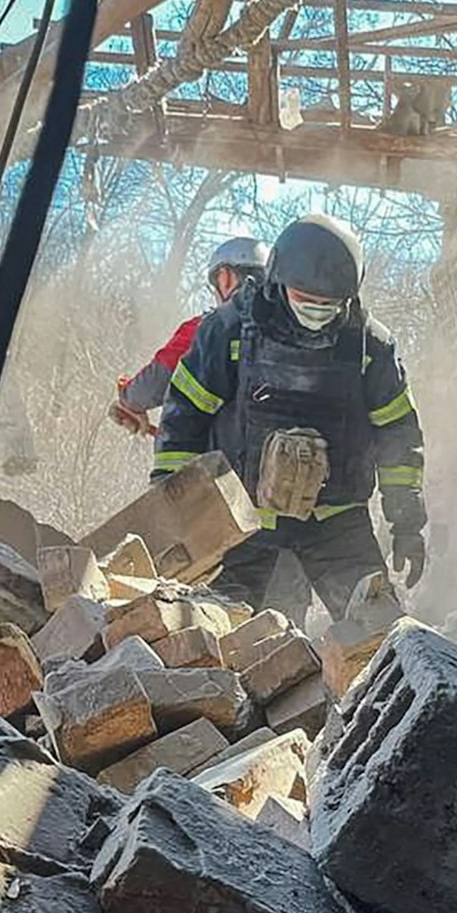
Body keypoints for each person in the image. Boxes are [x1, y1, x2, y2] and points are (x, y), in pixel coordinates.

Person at [155, 214, 427, 617]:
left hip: (336, 525)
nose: (317, 310)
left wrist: (406, 523)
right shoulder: (229, 330)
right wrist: (171, 508)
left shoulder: (370, 347)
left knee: (379, 634)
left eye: (329, 304)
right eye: (306, 299)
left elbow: (398, 439)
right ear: (278, 280)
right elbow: (184, 419)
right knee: (217, 635)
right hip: (239, 522)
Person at [109, 236, 271, 436]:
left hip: (221, 460)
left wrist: (129, 400)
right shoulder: (296, 329)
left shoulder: (209, 327)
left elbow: (155, 381)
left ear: (225, 277)